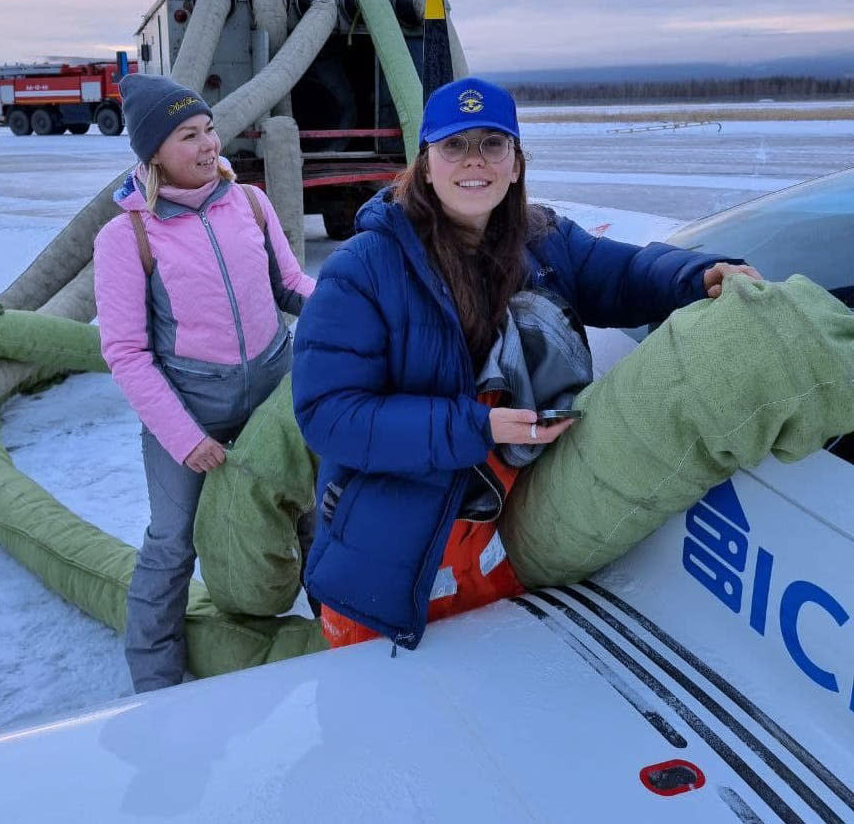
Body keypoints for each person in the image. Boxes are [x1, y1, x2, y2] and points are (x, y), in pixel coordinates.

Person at [291, 76, 759, 651]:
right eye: (454, 145)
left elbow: (625, 273)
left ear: (516, 163)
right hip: (386, 566)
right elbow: (328, 414)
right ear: (425, 164)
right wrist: (476, 427)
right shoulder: (364, 268)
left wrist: (698, 276)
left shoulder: (543, 241)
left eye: (493, 144)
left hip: (498, 550)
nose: (474, 161)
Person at [93, 73, 314, 692]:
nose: (208, 143)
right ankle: (156, 681)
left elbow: (292, 287)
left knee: (313, 514)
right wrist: (186, 439)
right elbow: (128, 354)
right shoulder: (127, 236)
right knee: (171, 543)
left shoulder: (249, 204)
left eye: (209, 128)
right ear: (154, 152)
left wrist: (352, 313)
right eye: (188, 135)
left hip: (274, 397)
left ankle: (341, 633)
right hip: (191, 412)